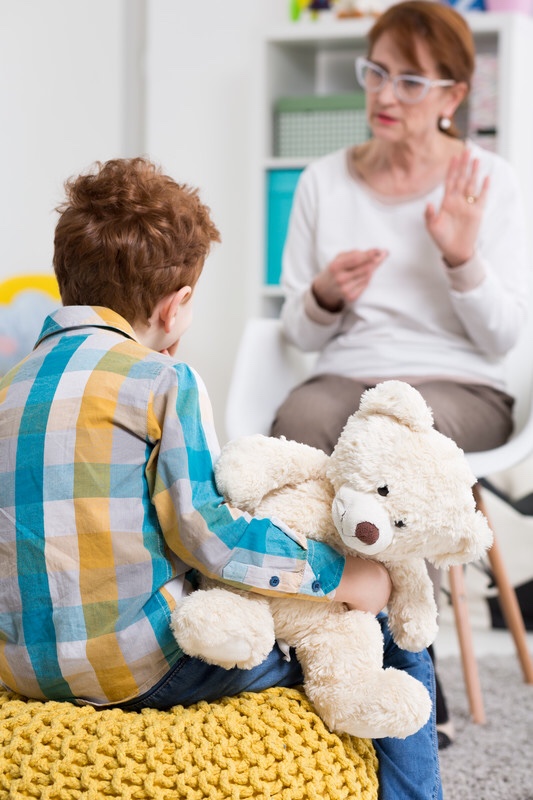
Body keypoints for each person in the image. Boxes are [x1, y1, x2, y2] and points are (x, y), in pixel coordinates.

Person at [0, 156, 441, 799]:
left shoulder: (10, 387)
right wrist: (346, 577)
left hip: (21, 668)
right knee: (383, 631)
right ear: (175, 307)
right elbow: (213, 536)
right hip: (141, 670)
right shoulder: (161, 380)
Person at [270, 0, 530, 750]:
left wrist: (459, 257)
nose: (384, 95)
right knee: (297, 426)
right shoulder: (324, 180)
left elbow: (506, 334)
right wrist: (324, 295)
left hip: (462, 389)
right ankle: (318, 657)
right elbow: (294, 330)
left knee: (389, 452)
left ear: (453, 96)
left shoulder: (489, 183)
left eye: (409, 81)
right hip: (348, 380)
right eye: (375, 72)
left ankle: (412, 671)